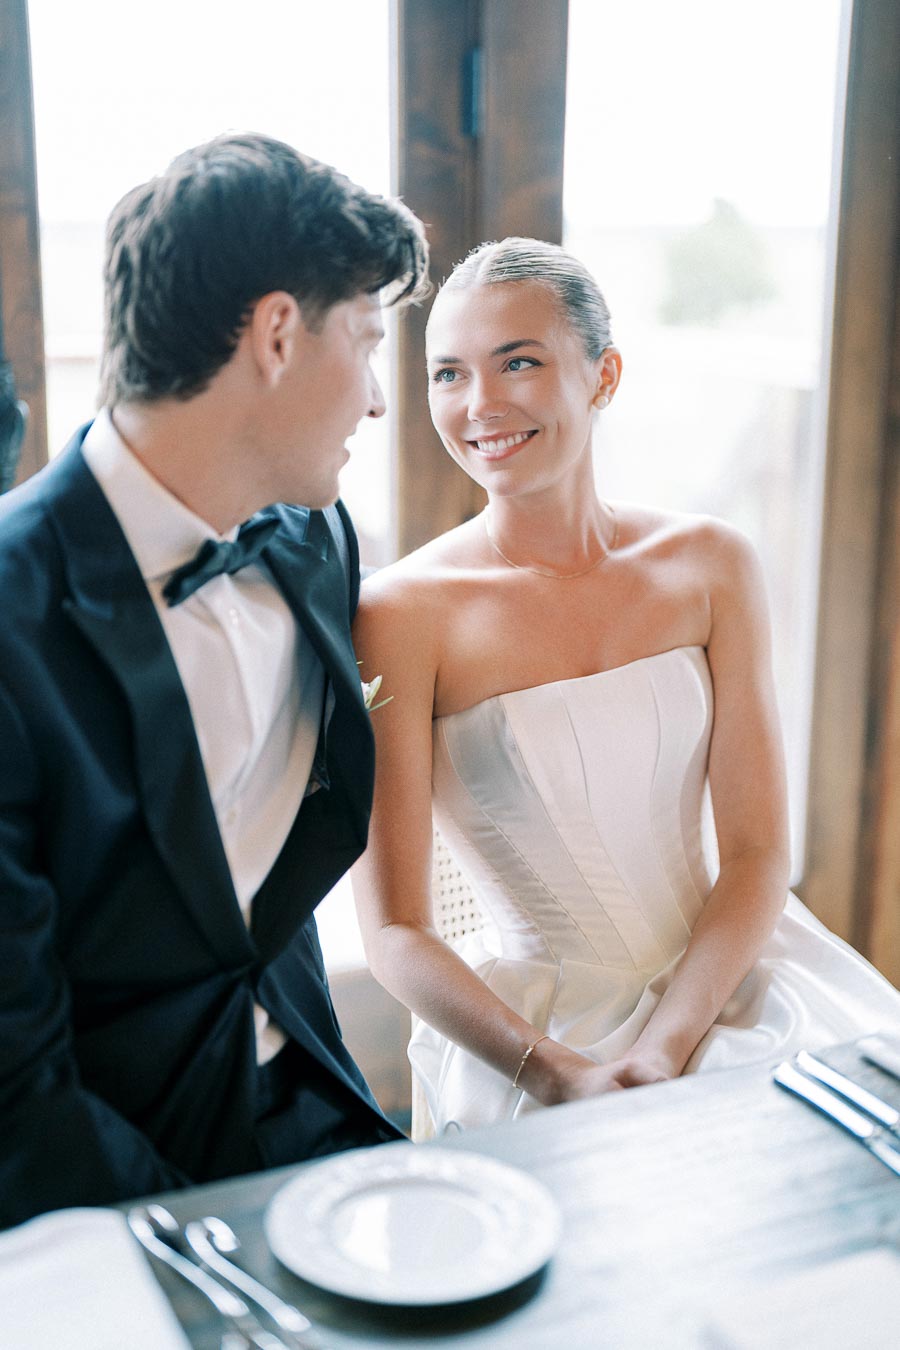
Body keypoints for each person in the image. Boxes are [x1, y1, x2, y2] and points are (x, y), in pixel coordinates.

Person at [351, 236, 900, 1136]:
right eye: (448, 374)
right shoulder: (398, 616)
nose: (480, 404)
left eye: (517, 362)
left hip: (737, 979)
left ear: (602, 376)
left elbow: (758, 852)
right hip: (542, 1037)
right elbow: (396, 935)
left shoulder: (711, 563)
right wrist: (568, 1077)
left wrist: (664, 1050)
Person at [0, 132, 429, 1228]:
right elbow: (14, 1093)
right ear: (279, 334)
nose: (380, 402)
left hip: (316, 1103)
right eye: (370, 343)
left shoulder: (318, 536)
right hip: (99, 1165)